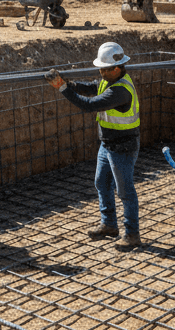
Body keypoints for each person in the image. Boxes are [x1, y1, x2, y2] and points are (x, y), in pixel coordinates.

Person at [46, 42, 142, 249]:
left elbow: (88, 104)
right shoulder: (108, 80)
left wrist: (62, 88)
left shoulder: (121, 91)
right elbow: (91, 88)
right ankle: (109, 225)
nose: (100, 72)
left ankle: (132, 234)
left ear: (116, 68)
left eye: (103, 69)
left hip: (123, 147)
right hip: (107, 144)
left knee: (125, 192)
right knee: (101, 183)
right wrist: (68, 83)